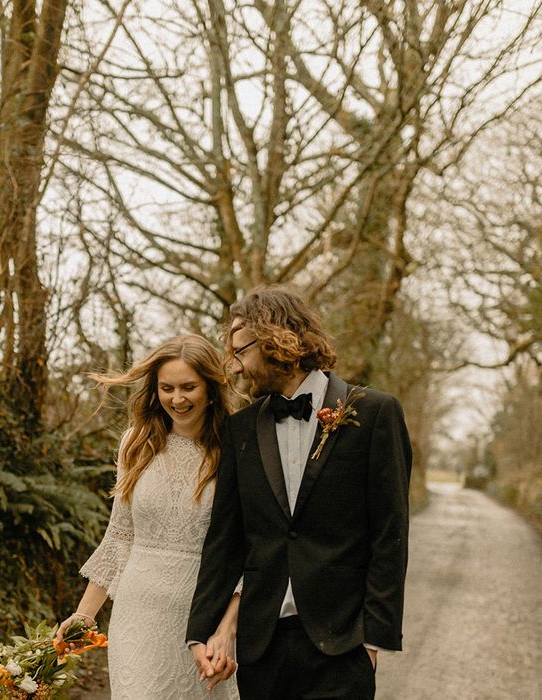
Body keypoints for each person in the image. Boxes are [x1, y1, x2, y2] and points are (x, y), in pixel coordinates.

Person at [187, 286, 412, 700]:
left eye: (240, 352)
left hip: (342, 645)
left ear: (277, 338)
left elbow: (390, 534)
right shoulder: (240, 430)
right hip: (262, 647)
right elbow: (225, 539)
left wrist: (372, 641)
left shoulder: (375, 413)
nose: (234, 368)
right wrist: (201, 631)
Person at [56, 335, 240, 699]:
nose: (177, 399)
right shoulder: (135, 443)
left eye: (189, 387)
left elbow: (245, 546)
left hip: (202, 617)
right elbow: (120, 536)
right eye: (167, 388)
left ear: (211, 388)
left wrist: (228, 628)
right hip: (137, 615)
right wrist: (84, 616)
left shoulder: (234, 450)